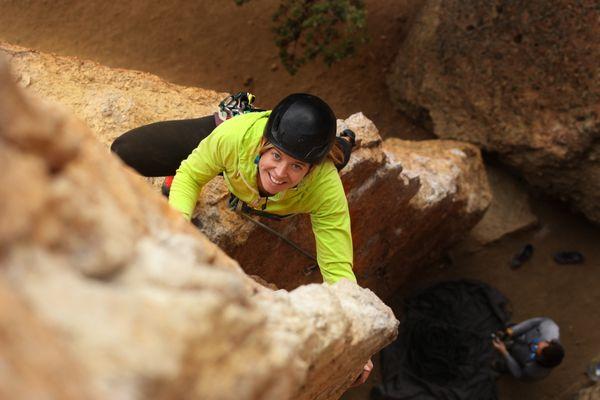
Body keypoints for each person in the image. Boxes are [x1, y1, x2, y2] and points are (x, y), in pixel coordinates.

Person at [111, 93, 373, 384]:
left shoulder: (324, 186)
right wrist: (177, 231)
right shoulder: (235, 136)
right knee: (126, 150)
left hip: (274, 195)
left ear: (311, 168)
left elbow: (336, 265)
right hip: (237, 145)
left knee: (339, 155)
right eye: (276, 156)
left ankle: (343, 142)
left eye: (297, 166)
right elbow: (191, 175)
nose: (280, 173)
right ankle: (237, 140)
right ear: (263, 144)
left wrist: (357, 333)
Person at [492, 317, 565, 381]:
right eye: (544, 343)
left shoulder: (535, 372)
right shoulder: (550, 328)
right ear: (551, 342)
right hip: (523, 336)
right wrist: (511, 332)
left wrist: (505, 352)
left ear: (540, 359)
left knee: (510, 364)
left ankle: (504, 366)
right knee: (511, 329)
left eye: (537, 352)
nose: (537, 345)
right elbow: (533, 323)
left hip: (520, 357)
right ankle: (510, 335)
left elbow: (519, 374)